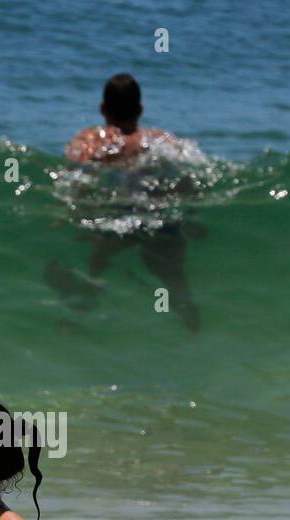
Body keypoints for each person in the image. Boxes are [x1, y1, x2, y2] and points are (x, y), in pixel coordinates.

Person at [55, 73, 201, 329]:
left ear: (103, 108)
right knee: (176, 280)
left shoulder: (91, 140)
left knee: (96, 267)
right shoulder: (163, 140)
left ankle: (77, 318)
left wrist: (70, 213)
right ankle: (193, 327)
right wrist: (192, 218)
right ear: (140, 109)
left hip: (120, 217)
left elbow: (78, 177)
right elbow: (189, 180)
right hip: (160, 217)